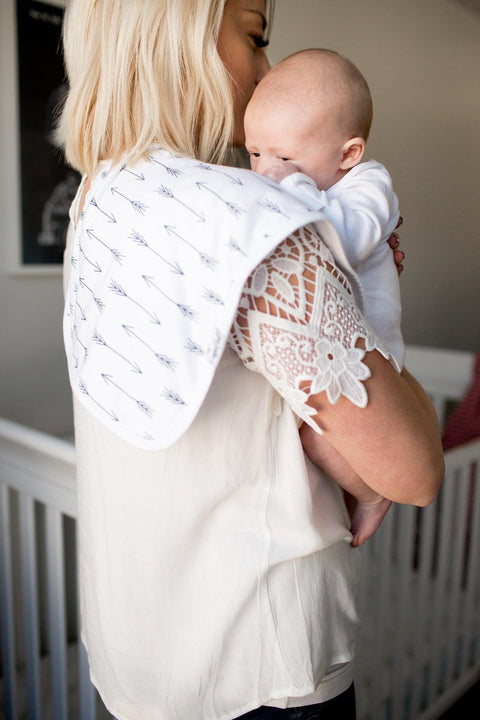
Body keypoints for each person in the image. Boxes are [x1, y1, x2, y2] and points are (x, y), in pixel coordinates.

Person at [58, 2, 444, 720]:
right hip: (265, 666)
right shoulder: (253, 224)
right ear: (178, 30)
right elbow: (413, 469)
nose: (267, 70)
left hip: (139, 660)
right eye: (255, 36)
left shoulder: (98, 202)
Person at [244, 48, 405, 546]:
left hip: (369, 359)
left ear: (348, 154)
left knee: (316, 435)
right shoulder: (296, 180)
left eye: (286, 158)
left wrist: (293, 192)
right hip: (326, 343)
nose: (266, 173)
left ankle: (374, 494)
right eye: (254, 153)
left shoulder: (369, 185)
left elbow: (347, 239)